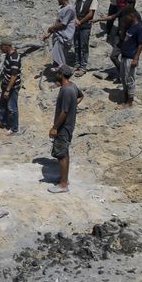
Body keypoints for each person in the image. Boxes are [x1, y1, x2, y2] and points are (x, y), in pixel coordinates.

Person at [48, 64, 83, 193]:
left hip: (64, 127)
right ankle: (64, 179)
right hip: (68, 125)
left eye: (57, 73)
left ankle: (63, 185)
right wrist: (74, 105)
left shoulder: (67, 90)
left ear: (61, 75)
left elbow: (64, 112)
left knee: (61, 155)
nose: (56, 74)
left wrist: (54, 127)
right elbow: (80, 96)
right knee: (65, 152)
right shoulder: (72, 86)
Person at [42, 0, 76, 71]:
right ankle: (59, 76)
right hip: (58, 36)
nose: (57, 0)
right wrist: (49, 34)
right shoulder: (61, 8)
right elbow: (57, 22)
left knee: (61, 60)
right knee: (57, 59)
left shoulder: (70, 9)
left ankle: (63, 77)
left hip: (64, 37)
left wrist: (51, 28)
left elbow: (63, 24)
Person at [119, 10, 142, 108]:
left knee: (130, 79)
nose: (125, 19)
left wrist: (136, 58)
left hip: (131, 58)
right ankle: (125, 97)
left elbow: (140, 44)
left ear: (132, 15)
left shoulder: (139, 28)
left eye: (126, 17)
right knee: (123, 78)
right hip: (124, 56)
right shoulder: (130, 27)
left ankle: (129, 101)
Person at [73, 0, 98, 76]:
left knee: (84, 45)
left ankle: (83, 66)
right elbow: (75, 8)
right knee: (76, 44)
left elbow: (91, 13)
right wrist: (75, 19)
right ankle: (77, 63)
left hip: (85, 26)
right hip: (77, 24)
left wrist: (81, 21)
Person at [0, 37, 21, 134]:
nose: (0, 49)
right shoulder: (8, 54)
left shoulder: (14, 58)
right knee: (2, 103)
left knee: (12, 107)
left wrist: (8, 90)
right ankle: (3, 121)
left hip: (12, 87)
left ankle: (14, 128)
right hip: (6, 84)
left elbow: (14, 76)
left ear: (7, 47)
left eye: (2, 47)